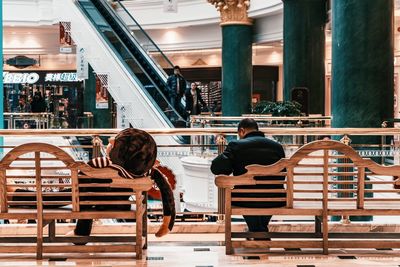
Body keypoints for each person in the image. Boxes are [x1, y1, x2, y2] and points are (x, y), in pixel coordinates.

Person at [210, 118, 286, 236]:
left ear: (241, 131)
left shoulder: (236, 145)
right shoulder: (277, 147)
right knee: (260, 208)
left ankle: (257, 233)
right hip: (275, 198)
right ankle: (259, 233)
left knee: (248, 196)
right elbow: (282, 175)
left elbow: (216, 168)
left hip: (244, 199)